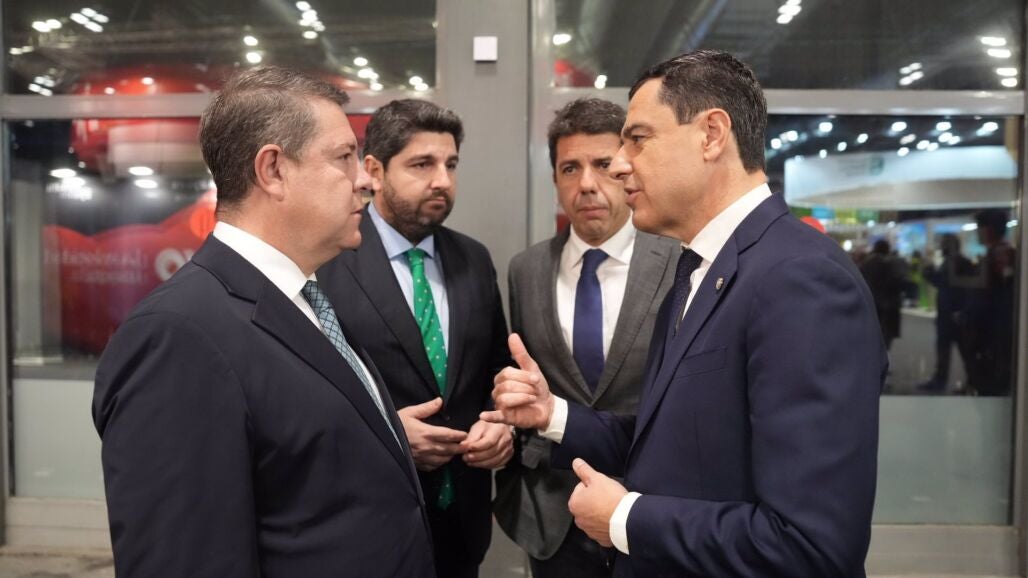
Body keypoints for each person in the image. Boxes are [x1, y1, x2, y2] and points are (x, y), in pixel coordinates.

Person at [484, 50, 885, 577]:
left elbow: (810, 547)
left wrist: (625, 518)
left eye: (638, 138)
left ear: (711, 135)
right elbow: (665, 442)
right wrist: (552, 414)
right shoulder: (696, 269)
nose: (620, 164)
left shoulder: (800, 279)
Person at [92, 68, 435, 577]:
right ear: (273, 170)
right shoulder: (177, 335)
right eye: (343, 157)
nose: (365, 179)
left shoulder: (303, 298)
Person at [317, 99, 512, 578]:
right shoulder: (327, 262)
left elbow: (495, 370)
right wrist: (387, 434)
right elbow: (307, 396)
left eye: (451, 165)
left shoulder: (473, 259)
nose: (442, 180)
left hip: (463, 524)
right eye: (422, 164)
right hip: (368, 522)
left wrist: (501, 424)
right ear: (373, 171)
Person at [493, 98, 677, 577]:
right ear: (555, 179)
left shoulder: (678, 262)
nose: (587, 184)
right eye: (570, 168)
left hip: (649, 507)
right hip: (553, 513)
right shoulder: (526, 270)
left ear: (627, 167)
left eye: (602, 164)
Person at [919, 233, 975, 392]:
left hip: (954, 314)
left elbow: (946, 283)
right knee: (949, 350)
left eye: (943, 244)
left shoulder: (957, 263)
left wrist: (928, 271)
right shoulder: (954, 262)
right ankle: (945, 380)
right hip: (949, 313)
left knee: (962, 351)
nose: (941, 247)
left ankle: (971, 381)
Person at [860, 239, 907, 351]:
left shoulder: (867, 263)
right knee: (886, 331)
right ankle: (882, 353)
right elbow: (897, 281)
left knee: (872, 330)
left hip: (871, 301)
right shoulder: (890, 263)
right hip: (887, 302)